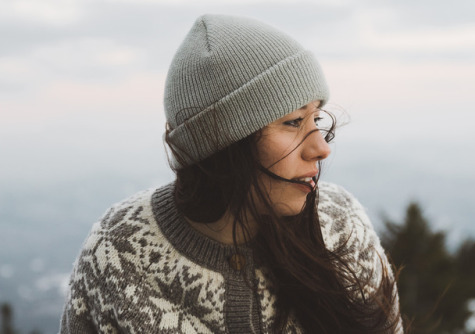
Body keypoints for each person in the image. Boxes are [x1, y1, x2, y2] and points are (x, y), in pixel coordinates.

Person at [60, 14, 403, 333]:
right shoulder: (120, 251)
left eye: (317, 118)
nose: (321, 148)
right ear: (224, 143)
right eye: (293, 122)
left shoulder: (340, 222)